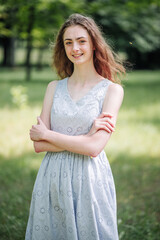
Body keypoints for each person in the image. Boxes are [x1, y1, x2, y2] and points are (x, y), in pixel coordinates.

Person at [25, 13, 125, 240]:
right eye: (68, 42)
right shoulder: (53, 87)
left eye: (81, 41)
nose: (75, 48)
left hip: (89, 179)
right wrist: (86, 135)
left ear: (93, 44)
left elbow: (94, 148)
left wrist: (50, 135)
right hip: (51, 177)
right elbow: (39, 145)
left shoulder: (111, 91)